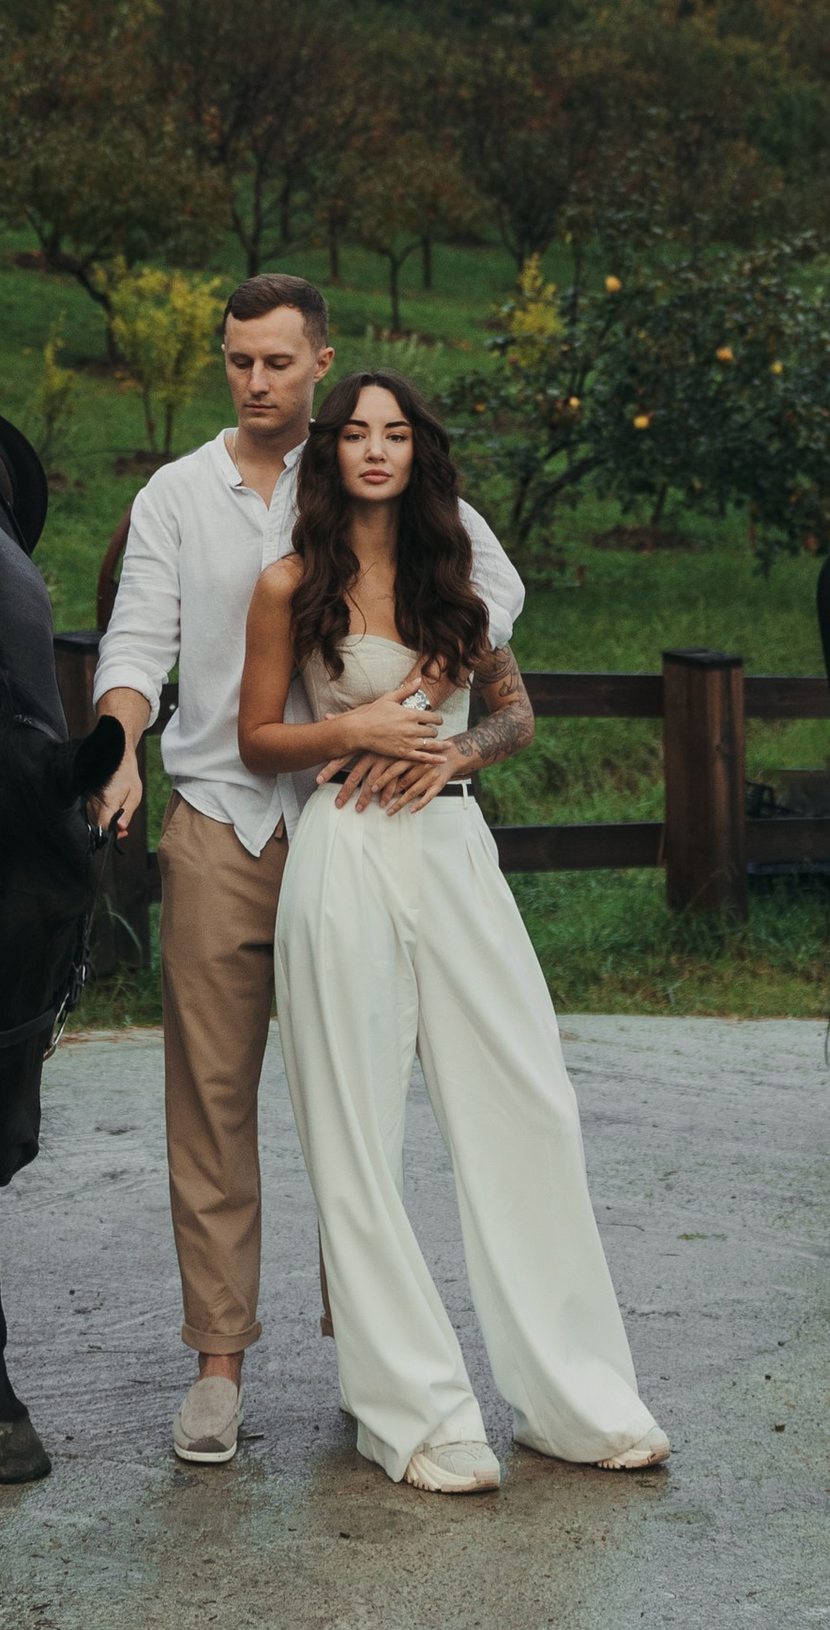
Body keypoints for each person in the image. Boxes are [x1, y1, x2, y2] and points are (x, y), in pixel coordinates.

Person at [93, 275, 525, 1467]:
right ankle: (219, 1364)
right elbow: (136, 638)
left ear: (320, 363)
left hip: (367, 826)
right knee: (213, 1100)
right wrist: (118, 746)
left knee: (362, 1094)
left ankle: (370, 1351)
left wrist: (420, 707)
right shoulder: (179, 493)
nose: (256, 381)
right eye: (238, 361)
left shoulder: (374, 468)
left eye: (279, 362)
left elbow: (495, 586)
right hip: (227, 822)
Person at [238, 365, 669, 1495]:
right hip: (341, 852)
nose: (375, 451)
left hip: (454, 849)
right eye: (356, 435)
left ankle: (575, 1401)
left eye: (396, 434)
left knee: (528, 1105)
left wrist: (451, 753)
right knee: (356, 1138)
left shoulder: (458, 580)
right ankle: (416, 1413)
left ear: (421, 453)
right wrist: (355, 728)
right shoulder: (288, 584)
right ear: (329, 452)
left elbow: (517, 713)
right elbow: (252, 742)